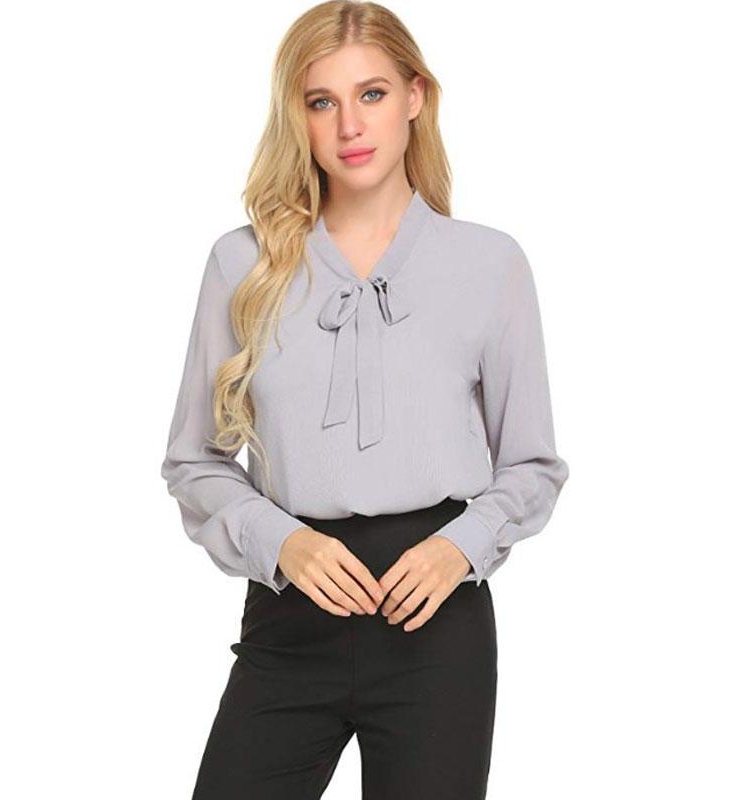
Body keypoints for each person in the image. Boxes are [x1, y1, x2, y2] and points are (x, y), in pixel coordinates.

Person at [160, 2, 569, 797]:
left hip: (435, 625)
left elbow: (531, 463)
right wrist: (282, 541)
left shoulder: (490, 265)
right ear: (298, 117)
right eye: (323, 101)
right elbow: (193, 460)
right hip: (289, 613)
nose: (350, 125)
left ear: (416, 96)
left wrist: (461, 546)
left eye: (372, 94)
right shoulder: (242, 264)